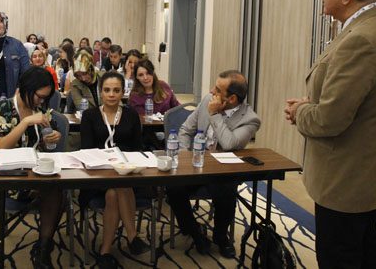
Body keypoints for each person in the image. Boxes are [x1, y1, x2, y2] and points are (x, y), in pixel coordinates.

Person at [284, 0, 376, 269]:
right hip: (364, 175)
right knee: (362, 250)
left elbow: (330, 119)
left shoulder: (361, 39)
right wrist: (312, 103)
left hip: (347, 179)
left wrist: (301, 111)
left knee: (340, 256)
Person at [167, 70, 260, 258]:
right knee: (172, 187)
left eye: (217, 89)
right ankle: (195, 233)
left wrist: (214, 114)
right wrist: (184, 156)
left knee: (226, 191)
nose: (211, 91)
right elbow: (186, 130)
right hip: (196, 164)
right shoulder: (207, 100)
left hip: (222, 172)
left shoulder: (250, 119)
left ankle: (220, 236)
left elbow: (230, 144)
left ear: (232, 99)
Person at [0, 67, 63, 268]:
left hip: (37, 171)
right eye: (39, 96)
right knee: (52, 192)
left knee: (57, 190)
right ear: (26, 88)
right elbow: (1, 146)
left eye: (45, 98)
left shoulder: (41, 109)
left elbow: (45, 144)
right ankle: (44, 247)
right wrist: (25, 121)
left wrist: (52, 138)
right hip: (10, 175)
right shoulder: (3, 107)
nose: (41, 102)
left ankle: (43, 247)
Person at [79, 71, 150, 268]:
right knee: (116, 187)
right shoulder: (89, 116)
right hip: (98, 175)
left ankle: (105, 251)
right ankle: (132, 236)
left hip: (127, 174)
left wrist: (124, 165)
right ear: (100, 92)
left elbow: (137, 148)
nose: (111, 94)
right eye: (107, 90)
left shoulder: (131, 115)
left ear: (123, 92)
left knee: (114, 191)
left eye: (116, 90)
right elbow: (86, 150)